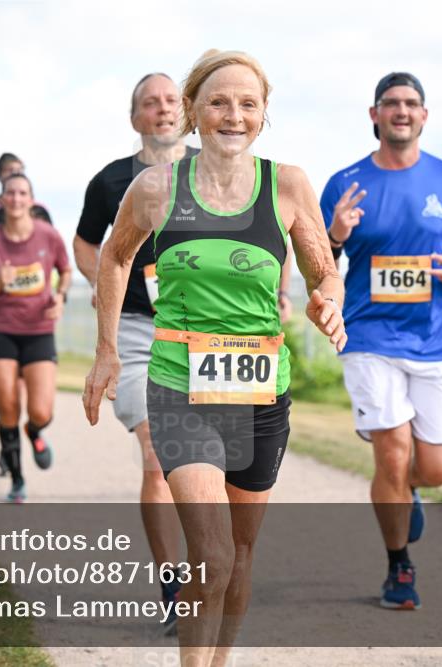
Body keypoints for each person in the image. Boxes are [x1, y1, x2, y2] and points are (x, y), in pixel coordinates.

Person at [83, 49, 345, 664]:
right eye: (219, 102)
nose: (234, 115)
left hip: (260, 392)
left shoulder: (288, 185)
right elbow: (115, 257)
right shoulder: (155, 188)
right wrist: (105, 354)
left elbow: (322, 272)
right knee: (215, 554)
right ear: (194, 113)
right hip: (180, 388)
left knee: (241, 556)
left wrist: (327, 302)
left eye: (248, 104)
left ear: (263, 115)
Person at [320, 72, 442, 610]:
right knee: (391, 457)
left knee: (435, 470)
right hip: (368, 335)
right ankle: (399, 567)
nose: (401, 111)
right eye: (391, 103)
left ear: (424, 115)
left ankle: (409, 489)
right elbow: (320, 264)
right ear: (374, 115)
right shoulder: (345, 183)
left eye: (411, 103)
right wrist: (336, 235)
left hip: (436, 341)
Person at [73, 71, 199, 635]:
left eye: (172, 100)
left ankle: (210, 565)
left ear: (187, 110)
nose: (164, 109)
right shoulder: (110, 182)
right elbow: (84, 243)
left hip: (205, 331)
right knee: (157, 451)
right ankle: (173, 582)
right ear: (135, 119)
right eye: (151, 103)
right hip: (135, 330)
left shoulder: (218, 169)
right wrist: (101, 283)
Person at [0, 173, 71, 503]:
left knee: (41, 410)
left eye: (22, 193)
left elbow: (65, 271)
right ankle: (16, 478)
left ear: (31, 200)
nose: (16, 198)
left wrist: (59, 296)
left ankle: (35, 432)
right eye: (10, 193)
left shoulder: (48, 236)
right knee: (9, 406)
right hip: (0, 330)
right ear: (1, 200)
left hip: (39, 331)